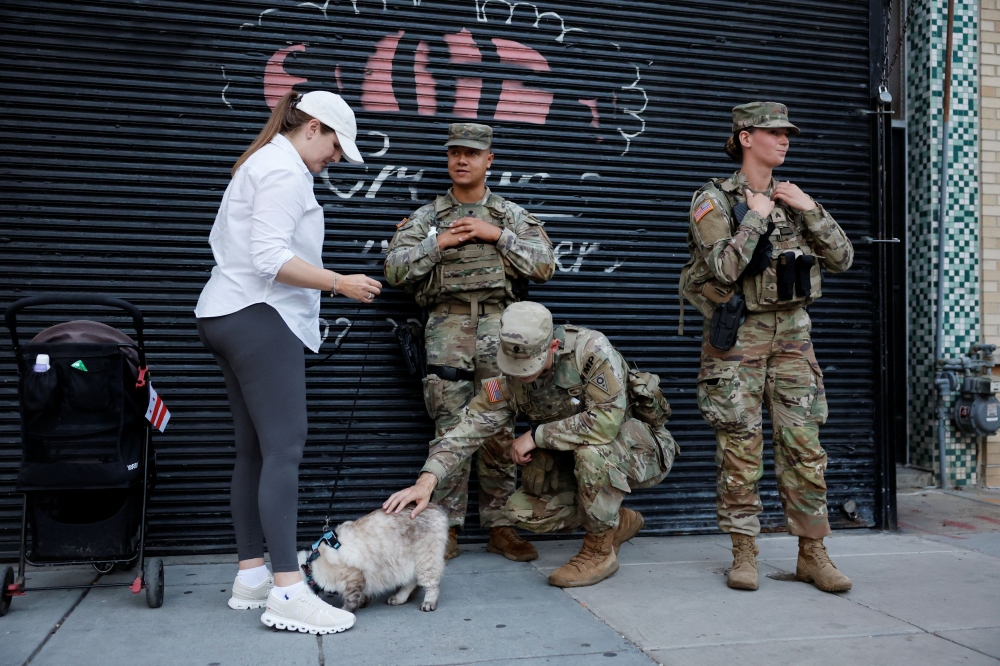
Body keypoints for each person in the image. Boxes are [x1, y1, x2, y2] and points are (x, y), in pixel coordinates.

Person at [194, 90, 382, 634]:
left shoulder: (263, 162)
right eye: (335, 146)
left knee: (254, 449)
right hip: (259, 315)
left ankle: (252, 576)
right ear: (313, 127)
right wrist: (339, 282)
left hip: (227, 313)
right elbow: (271, 258)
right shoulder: (282, 170)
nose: (336, 159)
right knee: (285, 449)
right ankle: (287, 591)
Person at [679, 101, 854, 593]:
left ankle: (813, 552)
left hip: (794, 338)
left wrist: (809, 210)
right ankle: (744, 551)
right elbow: (722, 271)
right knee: (739, 446)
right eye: (774, 132)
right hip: (739, 337)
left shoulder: (793, 197)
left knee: (805, 447)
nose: (784, 140)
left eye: (788, 133)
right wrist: (754, 219)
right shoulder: (712, 199)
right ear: (745, 137)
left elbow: (842, 258)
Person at [383, 302, 678, 588]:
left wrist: (536, 436)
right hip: (581, 457)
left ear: (551, 347)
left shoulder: (591, 351)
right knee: (523, 511)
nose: (520, 374)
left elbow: (605, 423)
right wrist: (427, 480)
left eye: (528, 366)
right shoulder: (508, 379)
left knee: (592, 452)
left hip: (640, 450)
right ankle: (614, 520)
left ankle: (599, 552)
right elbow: (467, 428)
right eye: (514, 365)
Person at [384, 124, 555, 562]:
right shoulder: (428, 218)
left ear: (489, 160)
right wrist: (439, 243)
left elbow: (544, 266)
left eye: (472, 154)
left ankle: (501, 526)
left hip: (502, 334)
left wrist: (497, 236)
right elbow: (395, 270)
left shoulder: (508, 216)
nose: (462, 160)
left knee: (498, 429)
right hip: (447, 330)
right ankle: (447, 528)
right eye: (455, 153)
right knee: (450, 428)